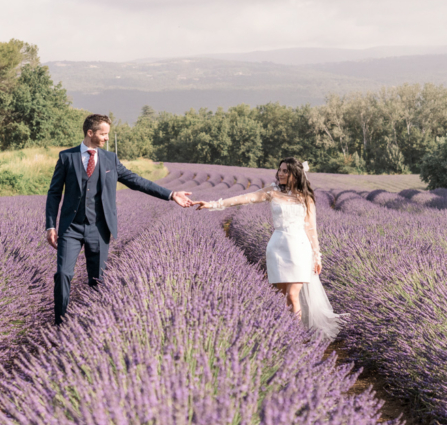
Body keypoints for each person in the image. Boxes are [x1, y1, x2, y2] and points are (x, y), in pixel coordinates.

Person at [45, 113, 195, 324]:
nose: (107, 138)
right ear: (90, 133)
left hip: (99, 228)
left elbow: (136, 181)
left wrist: (170, 195)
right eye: (103, 134)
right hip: (71, 228)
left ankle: (92, 325)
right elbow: (53, 194)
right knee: (63, 274)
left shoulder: (110, 159)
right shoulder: (66, 157)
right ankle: (60, 323)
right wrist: (50, 225)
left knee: (97, 281)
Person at [193, 158, 342, 338]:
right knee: (282, 297)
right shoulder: (272, 191)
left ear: (295, 174)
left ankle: (294, 336)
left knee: (293, 295)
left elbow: (311, 228)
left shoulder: (306, 197)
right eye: (280, 170)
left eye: (285, 171)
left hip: (300, 248)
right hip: (278, 246)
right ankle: (284, 333)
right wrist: (213, 204)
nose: (280, 173)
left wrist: (317, 257)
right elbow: (243, 199)